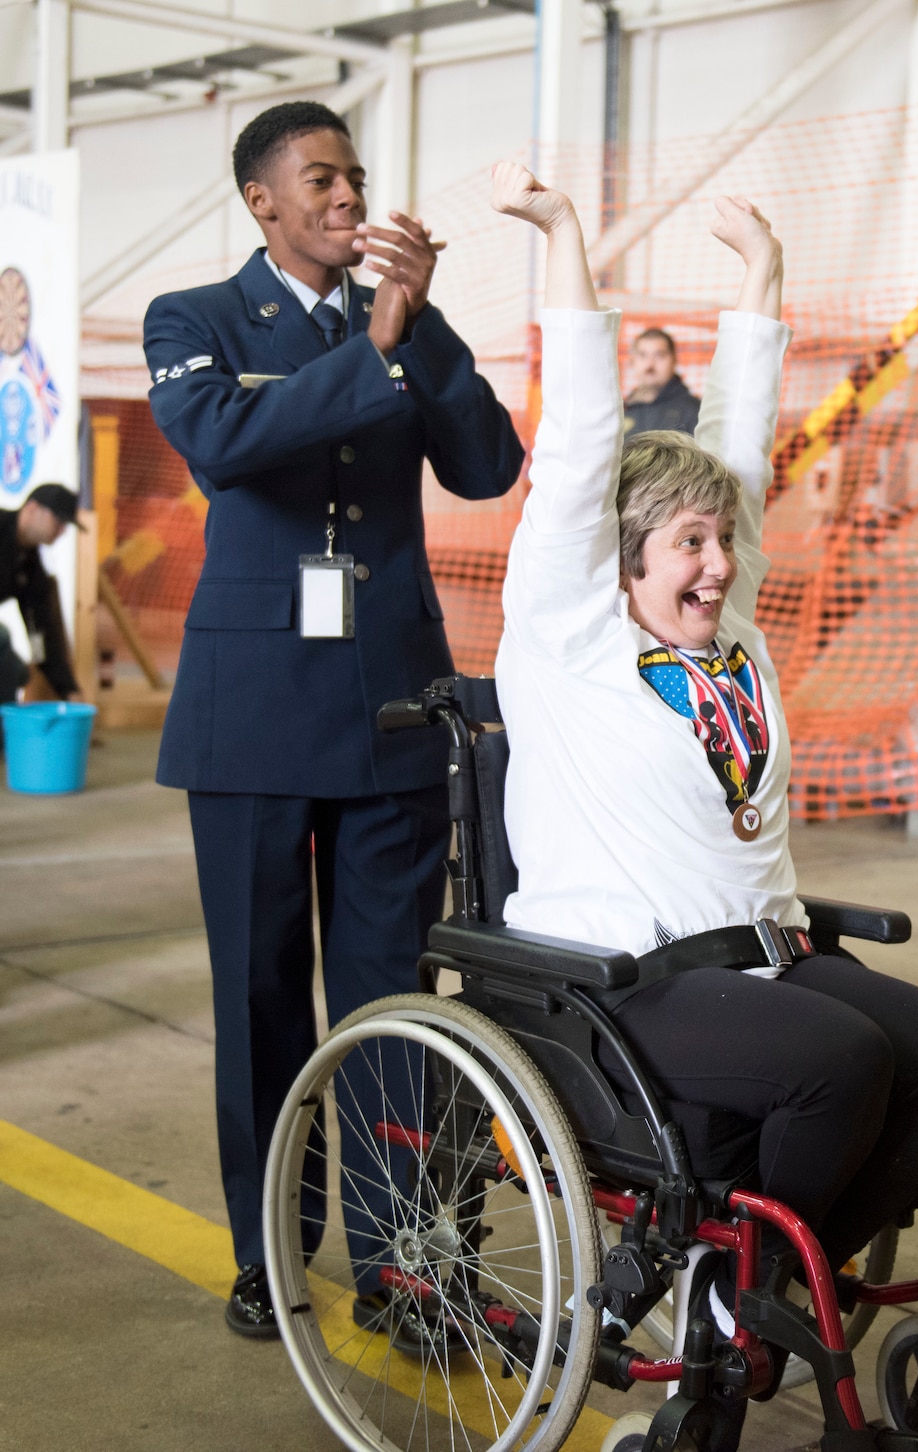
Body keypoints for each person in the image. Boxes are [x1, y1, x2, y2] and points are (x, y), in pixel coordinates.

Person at [490, 160, 918, 1328]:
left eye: (722, 542)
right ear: (620, 561)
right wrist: (567, 243)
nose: (715, 563)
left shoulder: (732, 638)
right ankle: (749, 1290)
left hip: (760, 951)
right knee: (840, 1063)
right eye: (685, 544)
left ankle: (764, 1279)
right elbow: (575, 450)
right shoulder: (569, 640)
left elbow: (740, 449)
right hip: (629, 976)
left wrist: (763, 281)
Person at [142, 101, 525, 1339]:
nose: (348, 196)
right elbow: (225, 441)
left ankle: (406, 1267)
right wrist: (377, 343)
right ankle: (268, 1250)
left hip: (391, 713)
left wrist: (428, 334)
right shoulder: (193, 321)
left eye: (355, 176)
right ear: (262, 200)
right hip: (250, 719)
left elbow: (484, 467)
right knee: (261, 995)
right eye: (321, 178)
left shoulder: (407, 324)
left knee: (391, 1001)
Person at [0, 484, 81, 703]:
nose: (62, 531)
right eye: (59, 521)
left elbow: (41, 634)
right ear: (32, 509)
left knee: (17, 671)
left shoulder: (30, 567)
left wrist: (68, 691)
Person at [623, 326, 701, 435]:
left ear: (674, 360)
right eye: (643, 355)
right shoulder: (622, 411)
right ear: (632, 361)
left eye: (659, 355)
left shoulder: (694, 411)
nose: (650, 364)